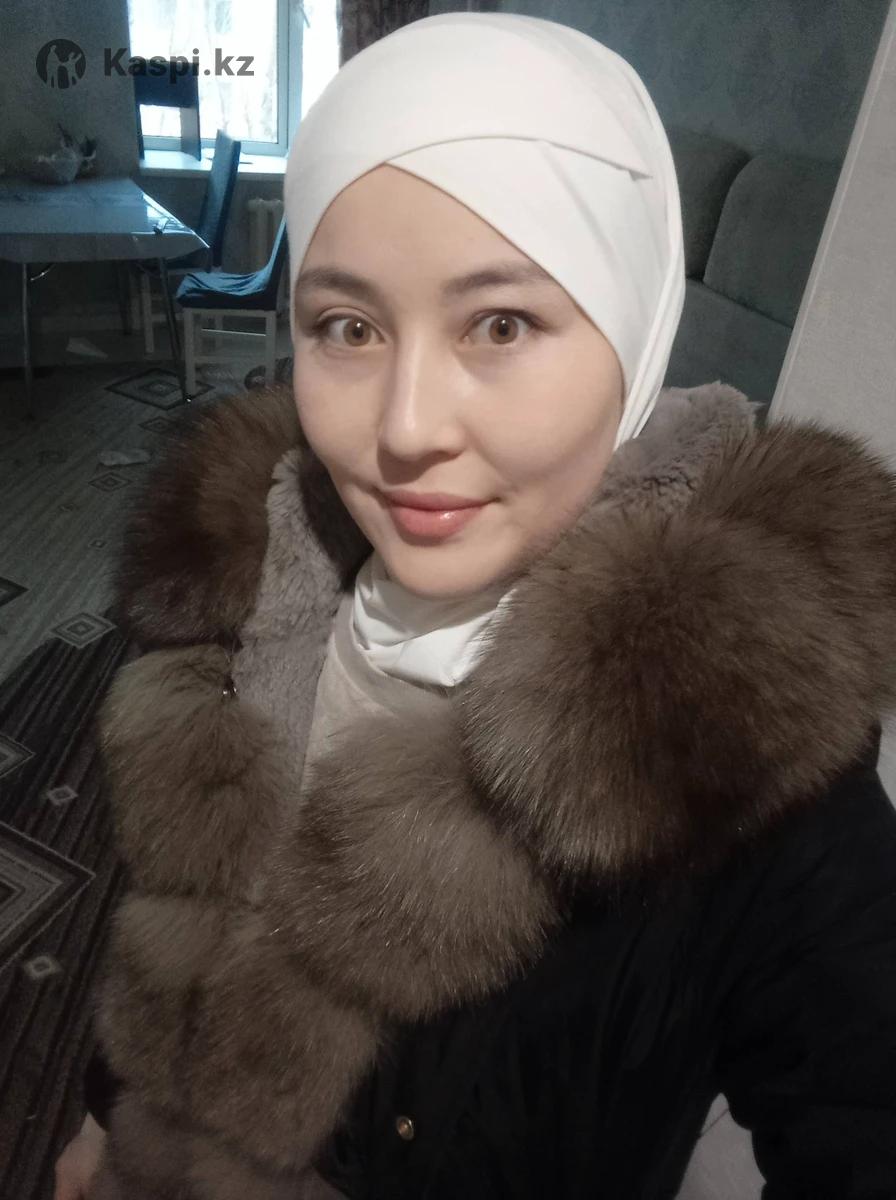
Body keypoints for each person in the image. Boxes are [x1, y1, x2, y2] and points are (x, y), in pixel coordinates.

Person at [55, 11, 896, 1200]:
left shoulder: (739, 749)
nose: (404, 429)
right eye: (347, 327)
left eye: (500, 324)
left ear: (633, 331)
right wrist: (110, 1116)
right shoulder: (234, 596)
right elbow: (176, 919)